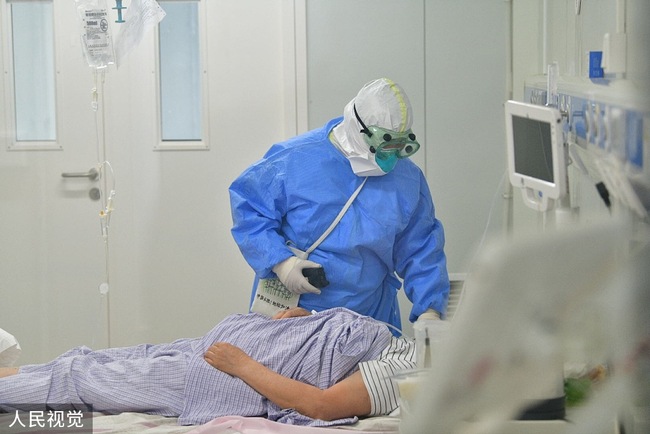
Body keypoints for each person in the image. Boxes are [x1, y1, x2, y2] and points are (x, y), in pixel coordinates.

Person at [229, 77, 450, 333]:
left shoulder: (407, 179)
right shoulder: (294, 159)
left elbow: (421, 248)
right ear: (357, 127)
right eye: (382, 145)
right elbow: (249, 209)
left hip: (368, 318)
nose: (389, 158)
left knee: (369, 374)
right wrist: (281, 263)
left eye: (398, 147)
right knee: (282, 375)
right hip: (292, 315)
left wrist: (430, 311)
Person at [0, 307, 415, 427]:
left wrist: (243, 364)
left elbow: (322, 405)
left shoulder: (406, 377)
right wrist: (306, 322)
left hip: (225, 378)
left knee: (84, 380)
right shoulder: (413, 351)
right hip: (225, 351)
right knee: (96, 360)